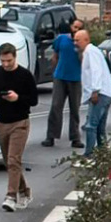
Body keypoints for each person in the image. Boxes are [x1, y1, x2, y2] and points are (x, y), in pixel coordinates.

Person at [0, 42, 39, 212]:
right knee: (9, 162)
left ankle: (11, 196)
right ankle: (24, 191)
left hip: (20, 122)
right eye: (3, 61)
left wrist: (17, 98)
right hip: (1, 122)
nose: (6, 64)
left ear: (15, 57)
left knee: (14, 159)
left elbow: (34, 100)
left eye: (9, 61)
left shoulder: (25, 75)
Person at [75, 29, 111, 158]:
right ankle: (103, 153)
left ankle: (89, 154)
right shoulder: (91, 51)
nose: (75, 43)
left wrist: (95, 91)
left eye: (77, 40)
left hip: (101, 93)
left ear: (86, 40)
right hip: (107, 92)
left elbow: (96, 71)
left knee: (91, 125)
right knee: (99, 126)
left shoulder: (90, 52)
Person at [44, 19, 84, 149]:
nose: (75, 29)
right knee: (56, 106)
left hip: (75, 79)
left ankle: (75, 138)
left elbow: (85, 61)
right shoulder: (61, 39)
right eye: (74, 26)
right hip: (60, 78)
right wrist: (54, 72)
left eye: (79, 28)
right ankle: (51, 136)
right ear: (70, 27)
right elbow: (55, 56)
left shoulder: (82, 43)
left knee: (74, 109)